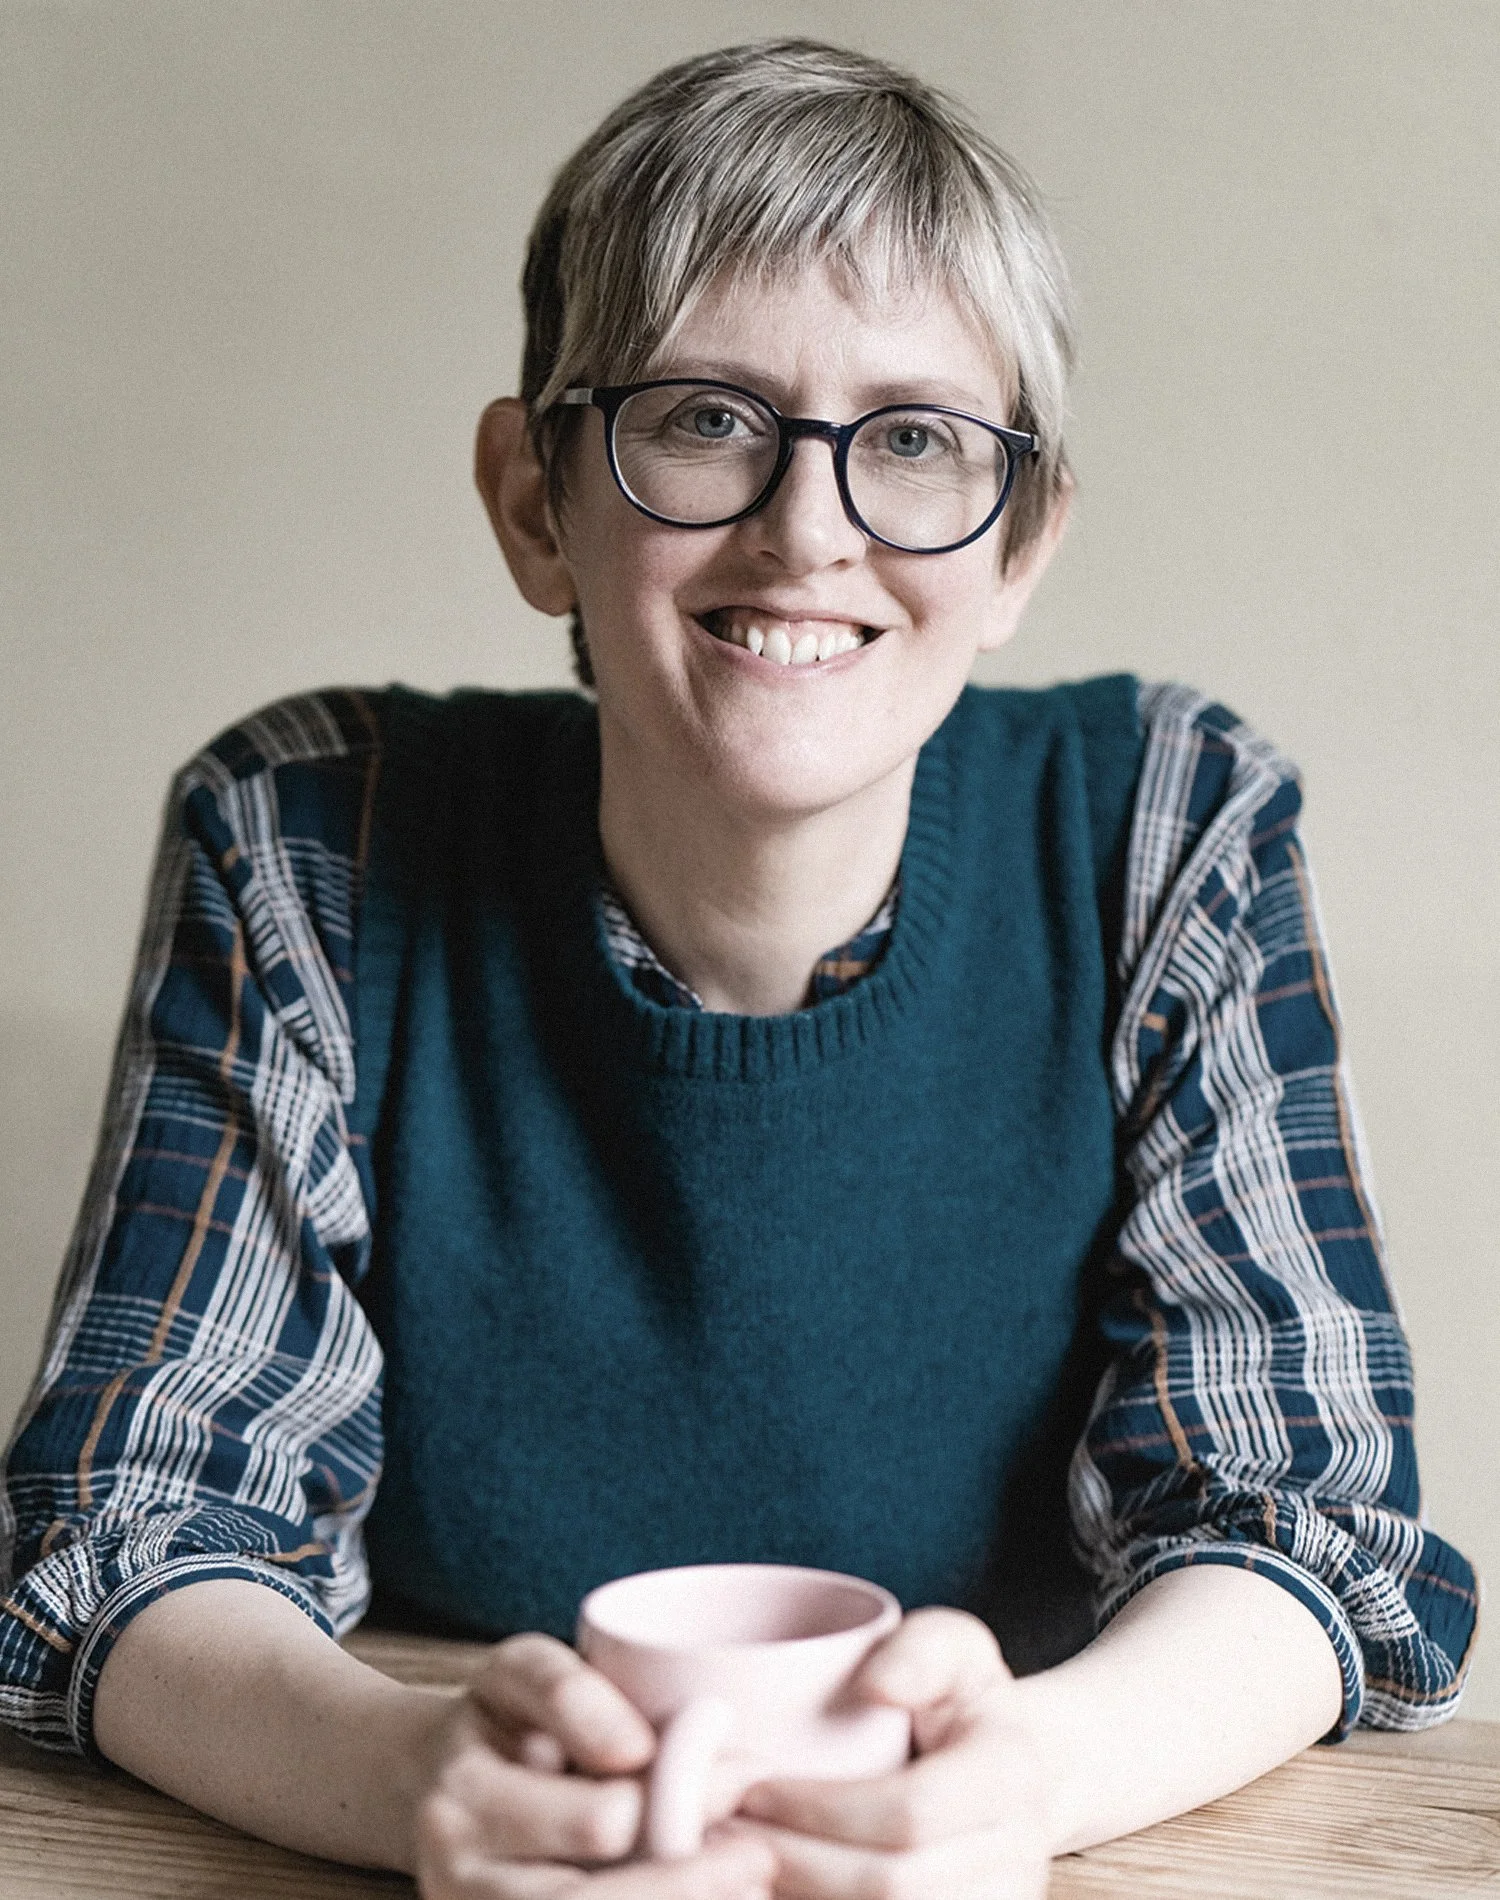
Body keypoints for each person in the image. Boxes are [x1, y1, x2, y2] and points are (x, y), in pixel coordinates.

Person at [0, 37, 1476, 1900]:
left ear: (1022, 544)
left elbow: (1313, 1521)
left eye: (920, 439)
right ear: (539, 500)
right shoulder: (308, 837)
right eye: (706, 418)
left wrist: (1032, 1777)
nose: (809, 528)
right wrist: (411, 1777)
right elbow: (124, 1526)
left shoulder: (1165, 828)